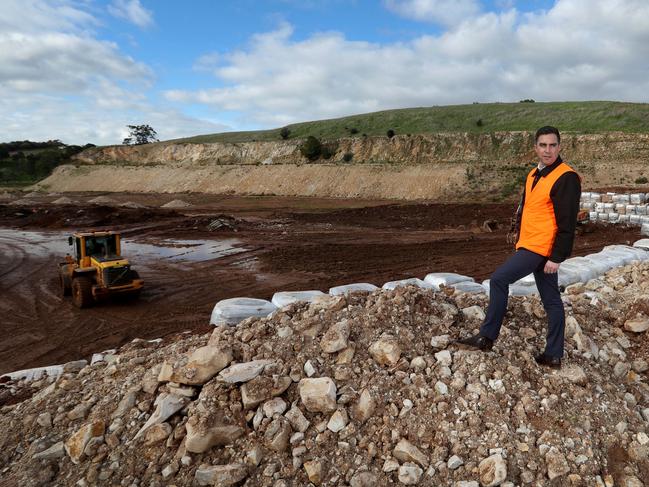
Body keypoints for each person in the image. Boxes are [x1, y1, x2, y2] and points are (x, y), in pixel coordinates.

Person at [457, 126, 581, 369]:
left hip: (541, 248)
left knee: (499, 280)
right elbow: (528, 209)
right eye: (543, 145)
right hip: (531, 243)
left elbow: (568, 221)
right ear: (535, 147)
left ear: (560, 147)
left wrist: (556, 257)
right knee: (552, 301)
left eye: (553, 145)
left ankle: (487, 337)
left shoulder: (566, 177)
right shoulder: (534, 174)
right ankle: (553, 355)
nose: (548, 150)